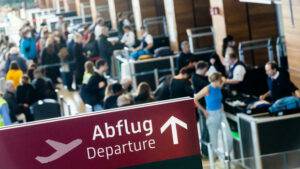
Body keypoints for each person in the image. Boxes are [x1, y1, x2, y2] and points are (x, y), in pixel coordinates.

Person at [194, 72, 233, 157]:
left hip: (221, 114)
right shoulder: (207, 89)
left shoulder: (219, 86)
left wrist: (221, 103)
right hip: (212, 115)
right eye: (214, 82)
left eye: (217, 82)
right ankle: (214, 160)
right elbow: (195, 99)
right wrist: (204, 110)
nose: (216, 84)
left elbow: (218, 96)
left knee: (229, 138)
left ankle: (227, 156)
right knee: (214, 142)